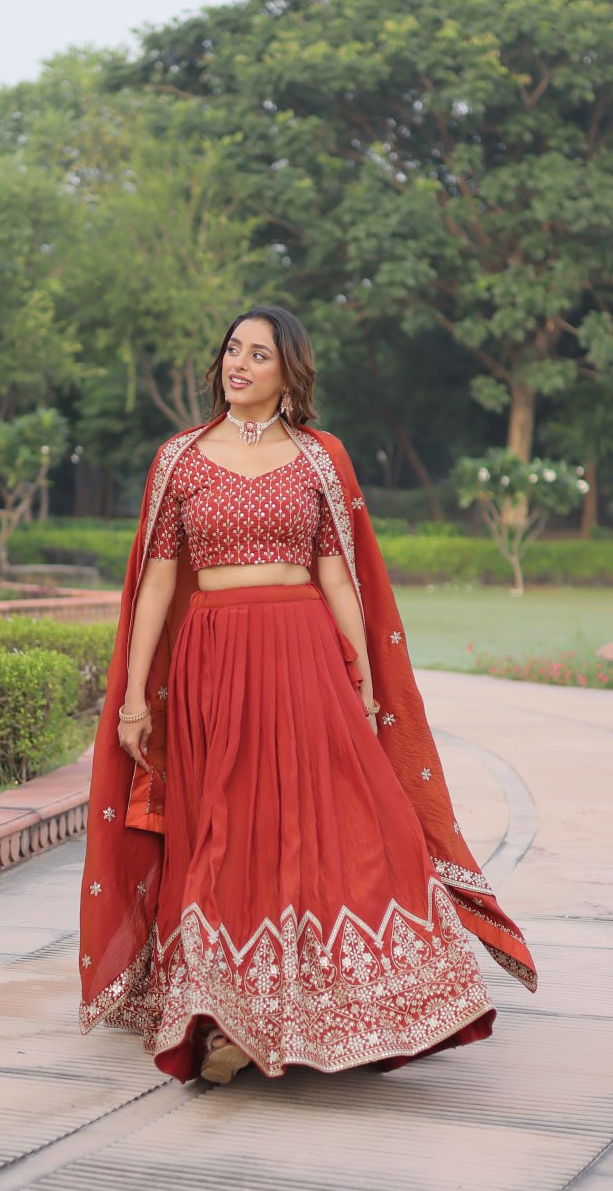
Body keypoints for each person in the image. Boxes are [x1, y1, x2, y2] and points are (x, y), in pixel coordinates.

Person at [79, 305, 536, 1085]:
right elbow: (156, 581)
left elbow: (337, 570)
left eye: (258, 354)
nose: (239, 364)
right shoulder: (179, 458)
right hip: (212, 662)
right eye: (231, 349)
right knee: (222, 830)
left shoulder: (321, 457)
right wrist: (131, 698)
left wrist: (359, 677)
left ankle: (358, 1005)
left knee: (352, 822)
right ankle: (222, 1019)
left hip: (304, 656)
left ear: (290, 371)